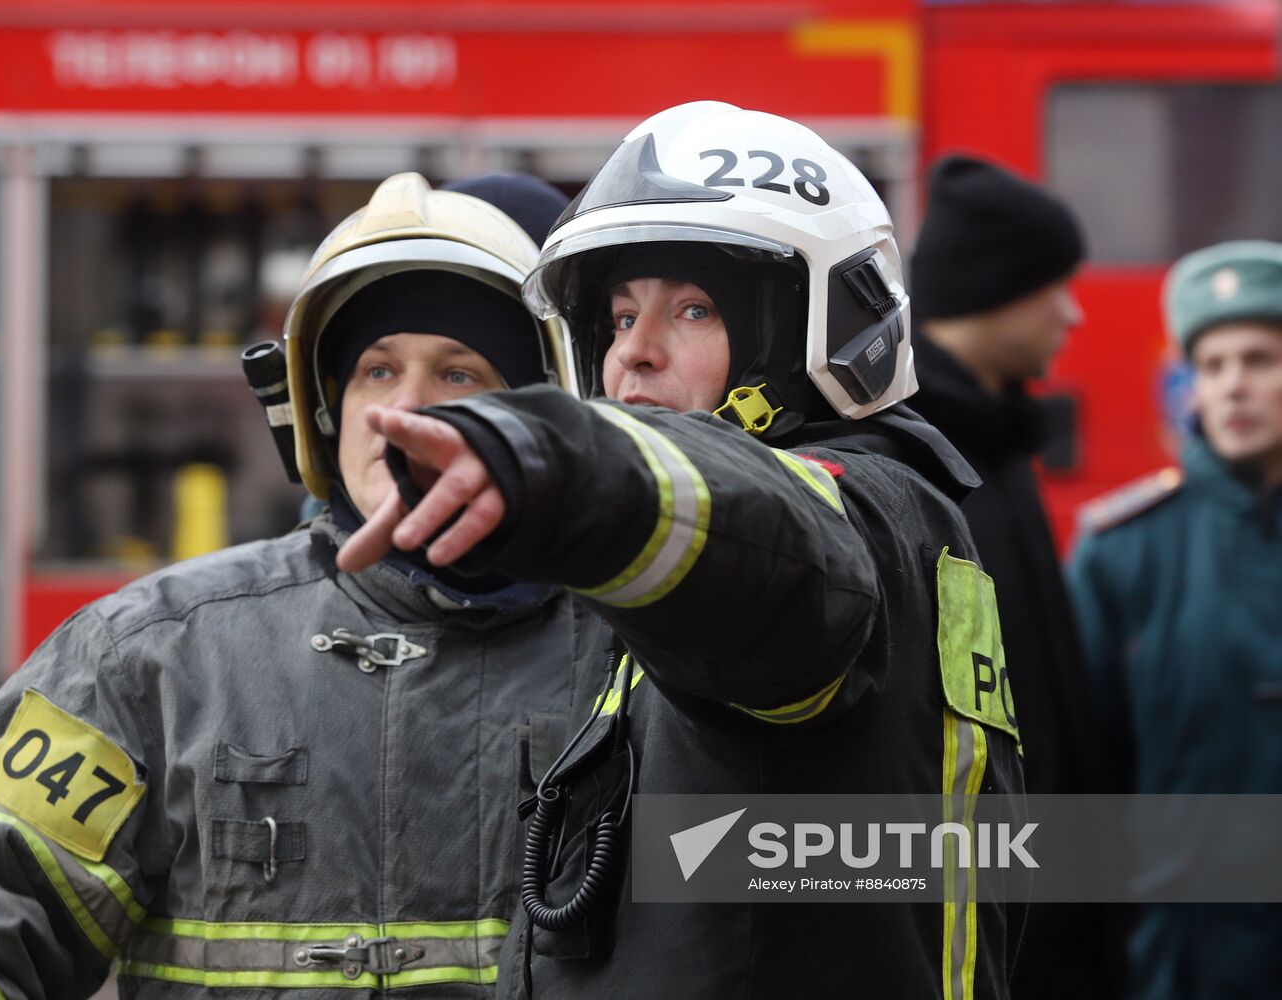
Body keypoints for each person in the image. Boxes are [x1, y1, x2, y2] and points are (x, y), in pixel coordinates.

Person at [337, 101, 1025, 999]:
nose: (634, 357)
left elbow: (761, 536)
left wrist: (556, 466)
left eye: (692, 311)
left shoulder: (849, 515)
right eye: (619, 318)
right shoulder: (900, 516)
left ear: (815, 333)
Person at [0, 172, 608, 998]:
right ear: (325, 409)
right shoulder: (155, 657)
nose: (404, 411)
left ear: (542, 419)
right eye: (377, 371)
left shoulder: (635, 660)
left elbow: (746, 909)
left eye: (459, 375)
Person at [906, 155, 1121, 999]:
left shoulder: (996, 439)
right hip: (994, 928)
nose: (1071, 313)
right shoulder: (926, 467)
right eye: (1053, 286)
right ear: (994, 292)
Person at [1066, 240, 1282, 999]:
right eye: (1214, 366)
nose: (1234, 387)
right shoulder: (1122, 549)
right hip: (1179, 956)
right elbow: (1083, 770)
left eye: (1259, 359)